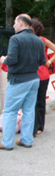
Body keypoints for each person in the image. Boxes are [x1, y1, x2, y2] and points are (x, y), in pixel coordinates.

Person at [0, 14, 46, 150]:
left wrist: (3, 60)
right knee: (29, 110)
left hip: (19, 79)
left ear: (21, 23)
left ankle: (7, 143)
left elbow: (12, 60)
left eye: (15, 22)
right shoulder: (39, 41)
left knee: (9, 111)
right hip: (34, 79)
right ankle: (26, 140)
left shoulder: (15, 39)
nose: (13, 25)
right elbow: (43, 61)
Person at [31, 18, 55, 136]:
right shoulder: (35, 40)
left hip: (41, 74)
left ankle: (39, 126)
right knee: (35, 101)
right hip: (36, 74)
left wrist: (49, 61)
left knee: (39, 101)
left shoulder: (42, 40)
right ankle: (35, 126)